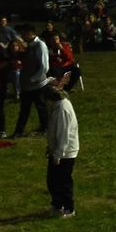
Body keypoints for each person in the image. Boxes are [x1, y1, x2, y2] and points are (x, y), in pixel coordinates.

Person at [45, 87, 80, 217]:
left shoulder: (62, 110)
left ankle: (69, 208)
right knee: (53, 180)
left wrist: (58, 154)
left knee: (63, 181)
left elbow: (63, 134)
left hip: (65, 152)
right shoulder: (59, 106)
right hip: (58, 151)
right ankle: (57, 205)